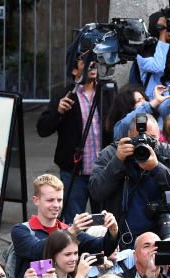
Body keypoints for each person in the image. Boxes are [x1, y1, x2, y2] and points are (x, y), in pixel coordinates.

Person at [88, 115, 170, 247]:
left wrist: (157, 167)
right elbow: (96, 192)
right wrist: (117, 161)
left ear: (159, 136)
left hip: (163, 234)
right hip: (123, 238)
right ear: (128, 135)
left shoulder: (168, 153)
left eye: (152, 139)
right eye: (139, 139)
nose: (146, 144)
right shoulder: (111, 153)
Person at [36, 53, 115, 221]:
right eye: (86, 62)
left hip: (102, 171)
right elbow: (42, 129)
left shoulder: (106, 92)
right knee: (74, 222)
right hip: (74, 172)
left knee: (103, 222)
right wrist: (58, 112)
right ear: (74, 70)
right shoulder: (64, 94)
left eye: (94, 62)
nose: (92, 65)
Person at [9, 174, 120, 278]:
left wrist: (113, 231)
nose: (56, 205)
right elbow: (36, 251)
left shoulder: (69, 230)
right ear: (36, 200)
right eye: (50, 200)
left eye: (59, 200)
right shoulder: (21, 230)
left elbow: (102, 248)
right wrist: (71, 232)